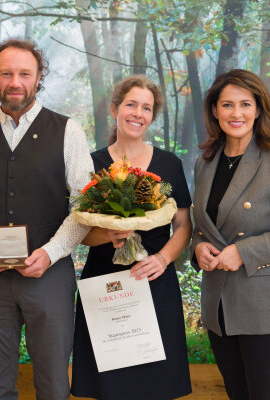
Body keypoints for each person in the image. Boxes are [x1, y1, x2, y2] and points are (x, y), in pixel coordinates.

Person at [0, 38, 93, 400]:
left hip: (51, 277)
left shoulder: (67, 131)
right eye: (6, 73)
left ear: (39, 76)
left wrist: (52, 251)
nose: (15, 82)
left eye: (24, 73)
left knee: (54, 386)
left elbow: (84, 205)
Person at [191, 69, 270, 400]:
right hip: (220, 306)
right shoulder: (205, 162)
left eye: (245, 104)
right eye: (227, 105)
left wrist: (243, 252)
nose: (236, 114)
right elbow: (203, 226)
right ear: (214, 110)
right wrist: (198, 247)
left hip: (268, 305)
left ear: (259, 109)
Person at [71, 75, 193, 400]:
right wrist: (108, 234)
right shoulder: (92, 164)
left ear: (152, 116)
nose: (138, 113)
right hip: (105, 285)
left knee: (156, 384)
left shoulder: (170, 164)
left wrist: (163, 259)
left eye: (147, 108)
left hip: (155, 281)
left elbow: (184, 225)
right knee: (110, 385)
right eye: (131, 104)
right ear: (115, 109)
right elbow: (80, 232)